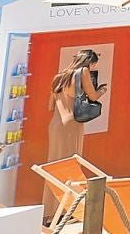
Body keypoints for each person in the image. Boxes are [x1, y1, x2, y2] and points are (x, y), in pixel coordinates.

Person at [43, 50, 104, 222]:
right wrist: (102, 91)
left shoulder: (59, 77)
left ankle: (50, 213)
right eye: (93, 64)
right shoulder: (83, 72)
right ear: (89, 62)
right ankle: (70, 211)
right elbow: (92, 95)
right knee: (71, 166)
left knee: (54, 167)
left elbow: (50, 106)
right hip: (71, 125)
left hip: (55, 125)